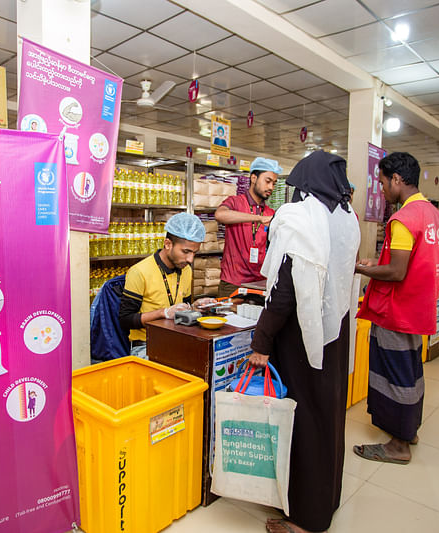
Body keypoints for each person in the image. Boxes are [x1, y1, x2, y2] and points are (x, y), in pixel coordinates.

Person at [248, 150, 360, 533]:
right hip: (335, 332)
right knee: (328, 417)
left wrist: (261, 341)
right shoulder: (345, 218)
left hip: (303, 339)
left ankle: (305, 519)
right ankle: (326, 499)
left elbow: (283, 291)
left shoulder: (299, 218)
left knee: (304, 422)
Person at [354, 152, 439, 465]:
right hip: (418, 308)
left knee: (394, 375)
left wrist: (361, 270)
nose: (381, 189)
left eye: (382, 182)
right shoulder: (433, 215)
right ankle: (410, 430)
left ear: (396, 179)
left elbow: (397, 272)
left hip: (397, 310)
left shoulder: (404, 219)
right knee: (411, 372)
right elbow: (414, 262)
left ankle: (398, 444)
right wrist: (376, 263)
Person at [119, 213, 215, 358]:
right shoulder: (139, 272)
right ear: (168, 244)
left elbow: (183, 307)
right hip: (146, 344)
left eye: (194, 253)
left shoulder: (186, 270)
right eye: (186, 252)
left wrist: (195, 307)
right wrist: (163, 313)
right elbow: (125, 320)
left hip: (178, 338)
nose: (190, 259)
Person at [214, 157, 281, 297]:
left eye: (274, 183)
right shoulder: (235, 202)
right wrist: (258, 219)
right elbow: (220, 215)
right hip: (233, 282)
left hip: (259, 282)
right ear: (253, 178)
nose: (271, 187)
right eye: (267, 181)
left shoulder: (270, 213)